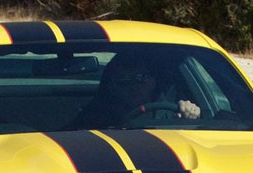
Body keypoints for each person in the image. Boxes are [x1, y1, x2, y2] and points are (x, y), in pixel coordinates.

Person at [68, 52, 200, 129]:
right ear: (111, 85)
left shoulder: (174, 111)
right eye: (123, 80)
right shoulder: (95, 117)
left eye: (140, 78)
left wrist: (193, 116)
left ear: (153, 80)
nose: (133, 85)